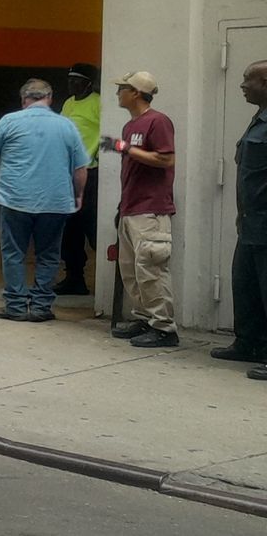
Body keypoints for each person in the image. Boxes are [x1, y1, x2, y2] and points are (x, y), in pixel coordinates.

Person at [0, 77, 90, 322]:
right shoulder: (67, 126)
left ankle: (16, 306)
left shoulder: (9, 121)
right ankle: (41, 307)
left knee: (14, 252)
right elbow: (80, 167)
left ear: (23, 100)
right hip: (55, 200)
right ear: (50, 99)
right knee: (49, 254)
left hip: (15, 199)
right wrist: (78, 194)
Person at [101, 71, 178, 348]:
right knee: (132, 271)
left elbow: (165, 159)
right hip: (131, 208)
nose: (117, 92)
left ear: (135, 92)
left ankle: (164, 328)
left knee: (152, 270)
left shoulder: (158, 122)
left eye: (122, 88)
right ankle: (145, 318)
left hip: (151, 210)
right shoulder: (131, 125)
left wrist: (123, 148)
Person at [214, 59, 267, 377]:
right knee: (245, 283)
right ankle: (249, 342)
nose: (243, 85)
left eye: (250, 79)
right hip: (249, 220)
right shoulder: (258, 118)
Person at [55, 62, 102, 295]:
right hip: (67, 172)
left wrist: (98, 155)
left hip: (91, 172)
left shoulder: (98, 103)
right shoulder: (68, 103)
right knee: (69, 227)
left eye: (76, 80)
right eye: (69, 79)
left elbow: (108, 133)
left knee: (92, 226)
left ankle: (107, 280)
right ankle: (75, 278)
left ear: (88, 83)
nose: (70, 83)